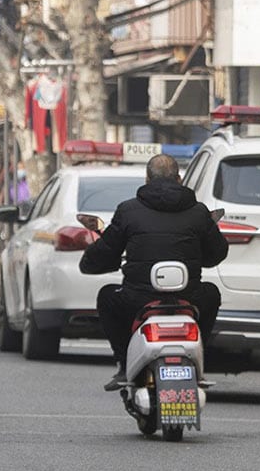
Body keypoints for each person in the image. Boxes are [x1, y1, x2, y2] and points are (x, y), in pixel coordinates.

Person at [77, 153, 228, 371]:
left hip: (137, 300)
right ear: (179, 180)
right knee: (211, 294)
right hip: (189, 298)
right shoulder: (199, 213)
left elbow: (104, 252)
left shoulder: (128, 211)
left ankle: (123, 361)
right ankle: (199, 356)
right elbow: (217, 253)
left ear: (147, 179)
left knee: (107, 297)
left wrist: (93, 263)